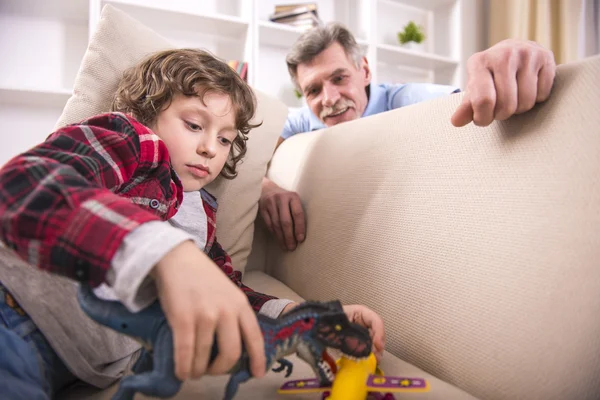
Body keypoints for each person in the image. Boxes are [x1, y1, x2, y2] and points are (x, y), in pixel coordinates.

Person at [0, 48, 385, 399]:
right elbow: (24, 182)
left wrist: (307, 317)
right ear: (148, 114)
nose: (209, 148)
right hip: (14, 313)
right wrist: (163, 253)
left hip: (70, 365)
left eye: (225, 139)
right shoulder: (132, 139)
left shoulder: (202, 213)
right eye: (194, 126)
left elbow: (224, 293)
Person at [259, 22, 558, 252]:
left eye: (339, 78)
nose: (329, 98)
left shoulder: (405, 99)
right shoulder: (303, 119)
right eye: (313, 90)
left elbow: (467, 99)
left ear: (364, 71)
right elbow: (250, 149)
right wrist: (265, 186)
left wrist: (512, 54)